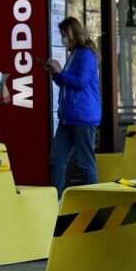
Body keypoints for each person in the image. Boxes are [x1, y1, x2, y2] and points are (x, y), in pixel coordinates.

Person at [46, 17, 100, 193]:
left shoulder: (86, 54)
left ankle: (92, 204)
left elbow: (80, 82)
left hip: (83, 116)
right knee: (57, 160)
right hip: (68, 117)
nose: (63, 39)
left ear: (72, 34)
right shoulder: (74, 54)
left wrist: (60, 72)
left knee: (85, 163)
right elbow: (66, 83)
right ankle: (56, 200)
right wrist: (55, 73)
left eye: (64, 35)